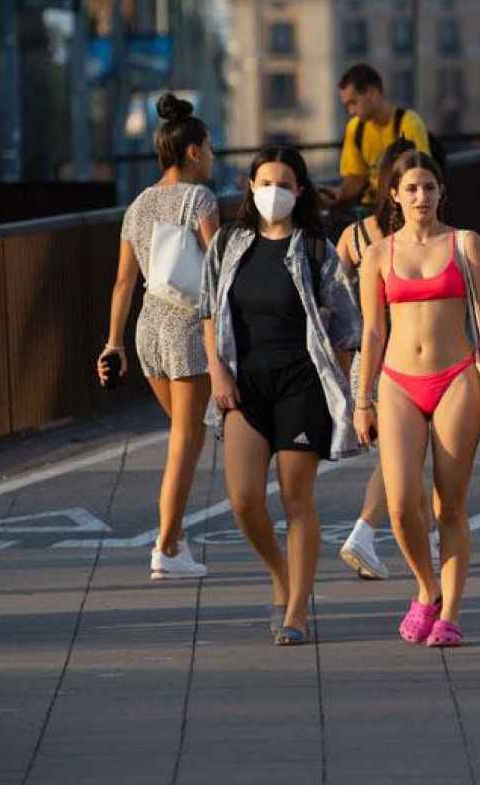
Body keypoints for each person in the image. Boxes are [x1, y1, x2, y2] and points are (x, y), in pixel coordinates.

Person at [199, 147, 360, 646]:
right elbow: (208, 310)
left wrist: (340, 381)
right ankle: (278, 574)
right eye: (264, 181)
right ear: (249, 186)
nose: (273, 191)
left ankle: (295, 611)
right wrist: (217, 375)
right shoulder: (228, 242)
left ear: (300, 190)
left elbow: (349, 322)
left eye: (284, 182)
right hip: (243, 386)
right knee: (244, 500)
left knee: (297, 501)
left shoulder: (315, 249)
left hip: (301, 386)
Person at [355, 150, 480, 648]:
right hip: (398, 381)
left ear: (441, 191)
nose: (421, 196)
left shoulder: (466, 244)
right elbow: (373, 331)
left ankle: (452, 612)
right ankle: (427, 588)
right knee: (401, 506)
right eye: (411, 188)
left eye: (429, 187)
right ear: (395, 196)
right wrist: (362, 398)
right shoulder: (379, 254)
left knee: (450, 504)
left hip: (457, 377)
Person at [99, 94, 220, 580]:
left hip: (147, 327)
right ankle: (166, 546)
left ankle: (177, 540)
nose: (212, 156)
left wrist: (114, 343)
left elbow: (124, 281)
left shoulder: (139, 204)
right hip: (189, 326)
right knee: (185, 442)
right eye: (209, 148)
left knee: (183, 439)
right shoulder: (200, 200)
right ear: (192, 152)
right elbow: (219, 269)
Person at [333, 137, 419, 582]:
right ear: (396, 189)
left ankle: (422, 535)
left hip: (365, 355)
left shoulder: (354, 236)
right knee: (400, 456)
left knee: (404, 454)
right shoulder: (417, 239)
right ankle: (364, 534)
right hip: (403, 357)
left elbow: (333, 301)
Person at [321, 63, 432, 213]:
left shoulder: (408, 122)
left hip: (403, 209)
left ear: (372, 93)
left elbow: (420, 175)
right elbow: (356, 177)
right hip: (370, 209)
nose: (350, 111)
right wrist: (338, 194)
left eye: (353, 103)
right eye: (346, 105)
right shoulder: (355, 128)